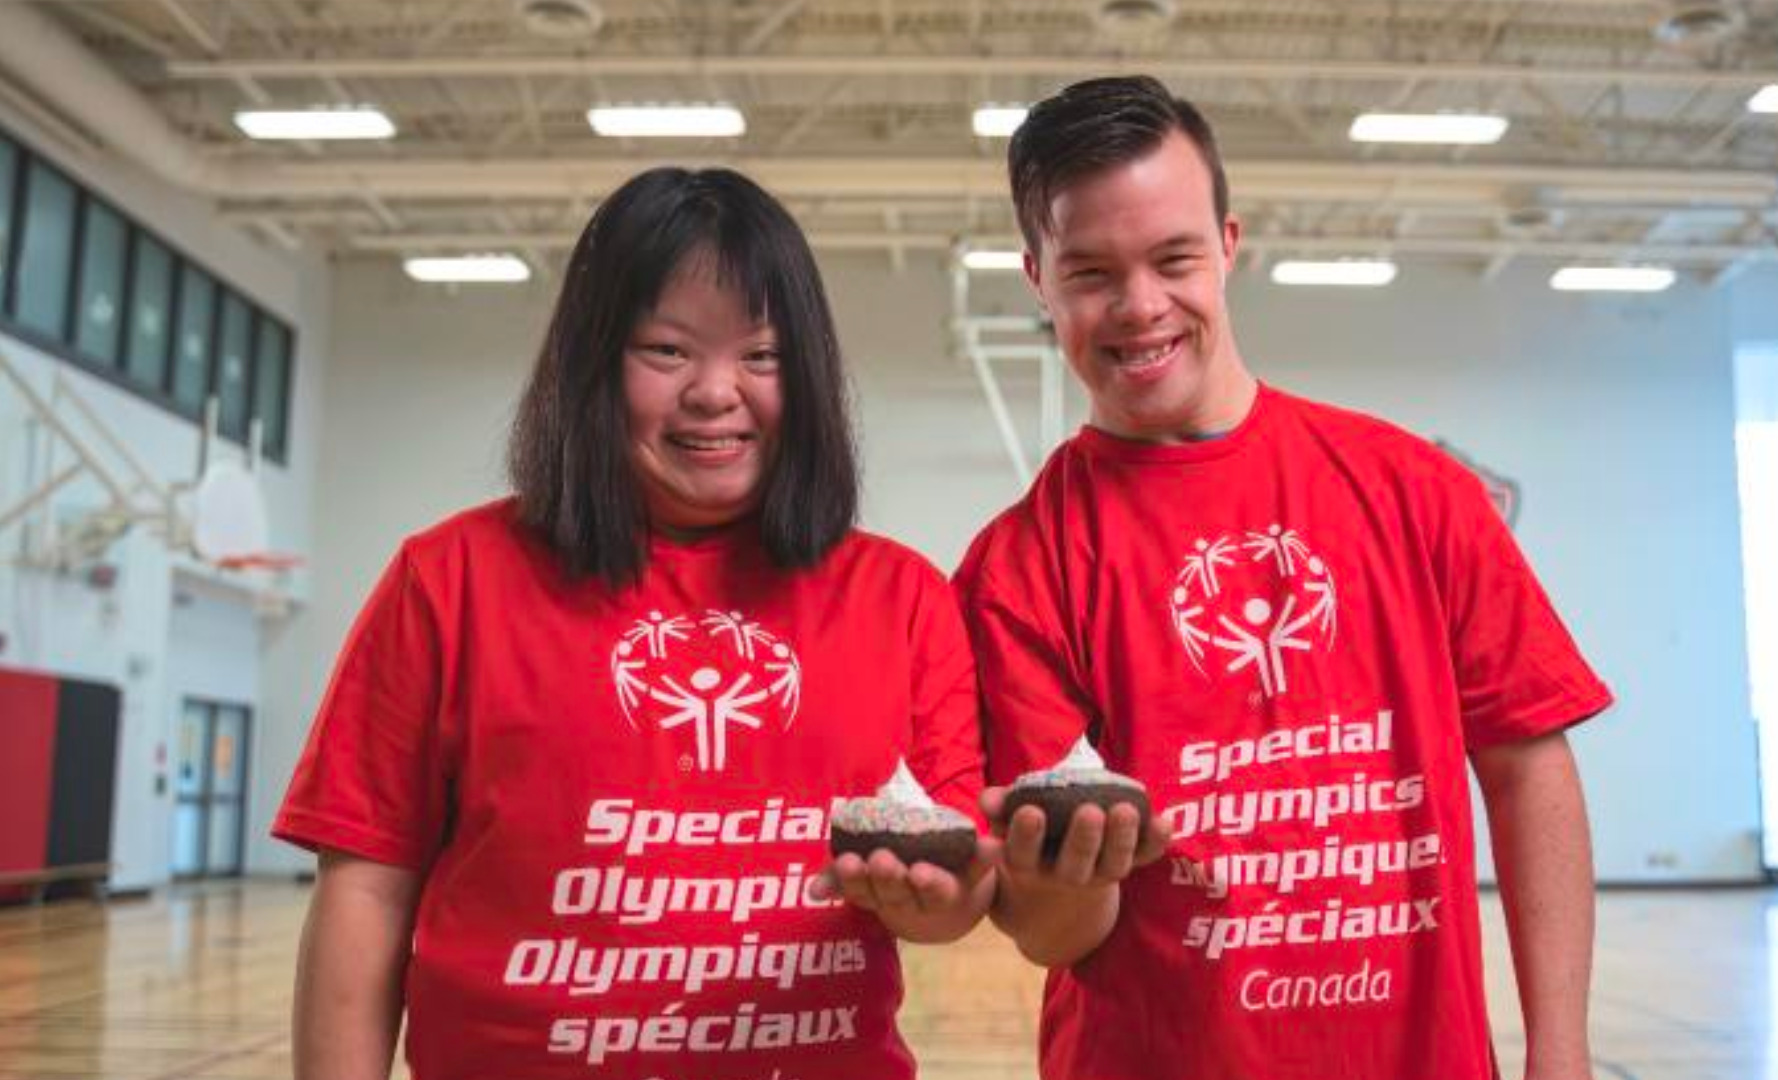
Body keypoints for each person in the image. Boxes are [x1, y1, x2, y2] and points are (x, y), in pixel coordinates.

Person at [957, 76, 1613, 1080]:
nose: (1140, 308)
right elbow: (1054, 938)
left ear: (1227, 243)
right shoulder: (1016, 572)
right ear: (1036, 277)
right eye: (1090, 272)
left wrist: (1559, 1052)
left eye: (1173, 258)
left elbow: (1529, 768)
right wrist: (1067, 879)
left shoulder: (1415, 491)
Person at [275, 167, 996, 1080]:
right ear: (593, 362)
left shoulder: (902, 596)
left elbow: (957, 888)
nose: (715, 392)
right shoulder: (448, 580)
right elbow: (366, 892)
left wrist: (929, 902)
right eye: (666, 351)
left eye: (762, 356)